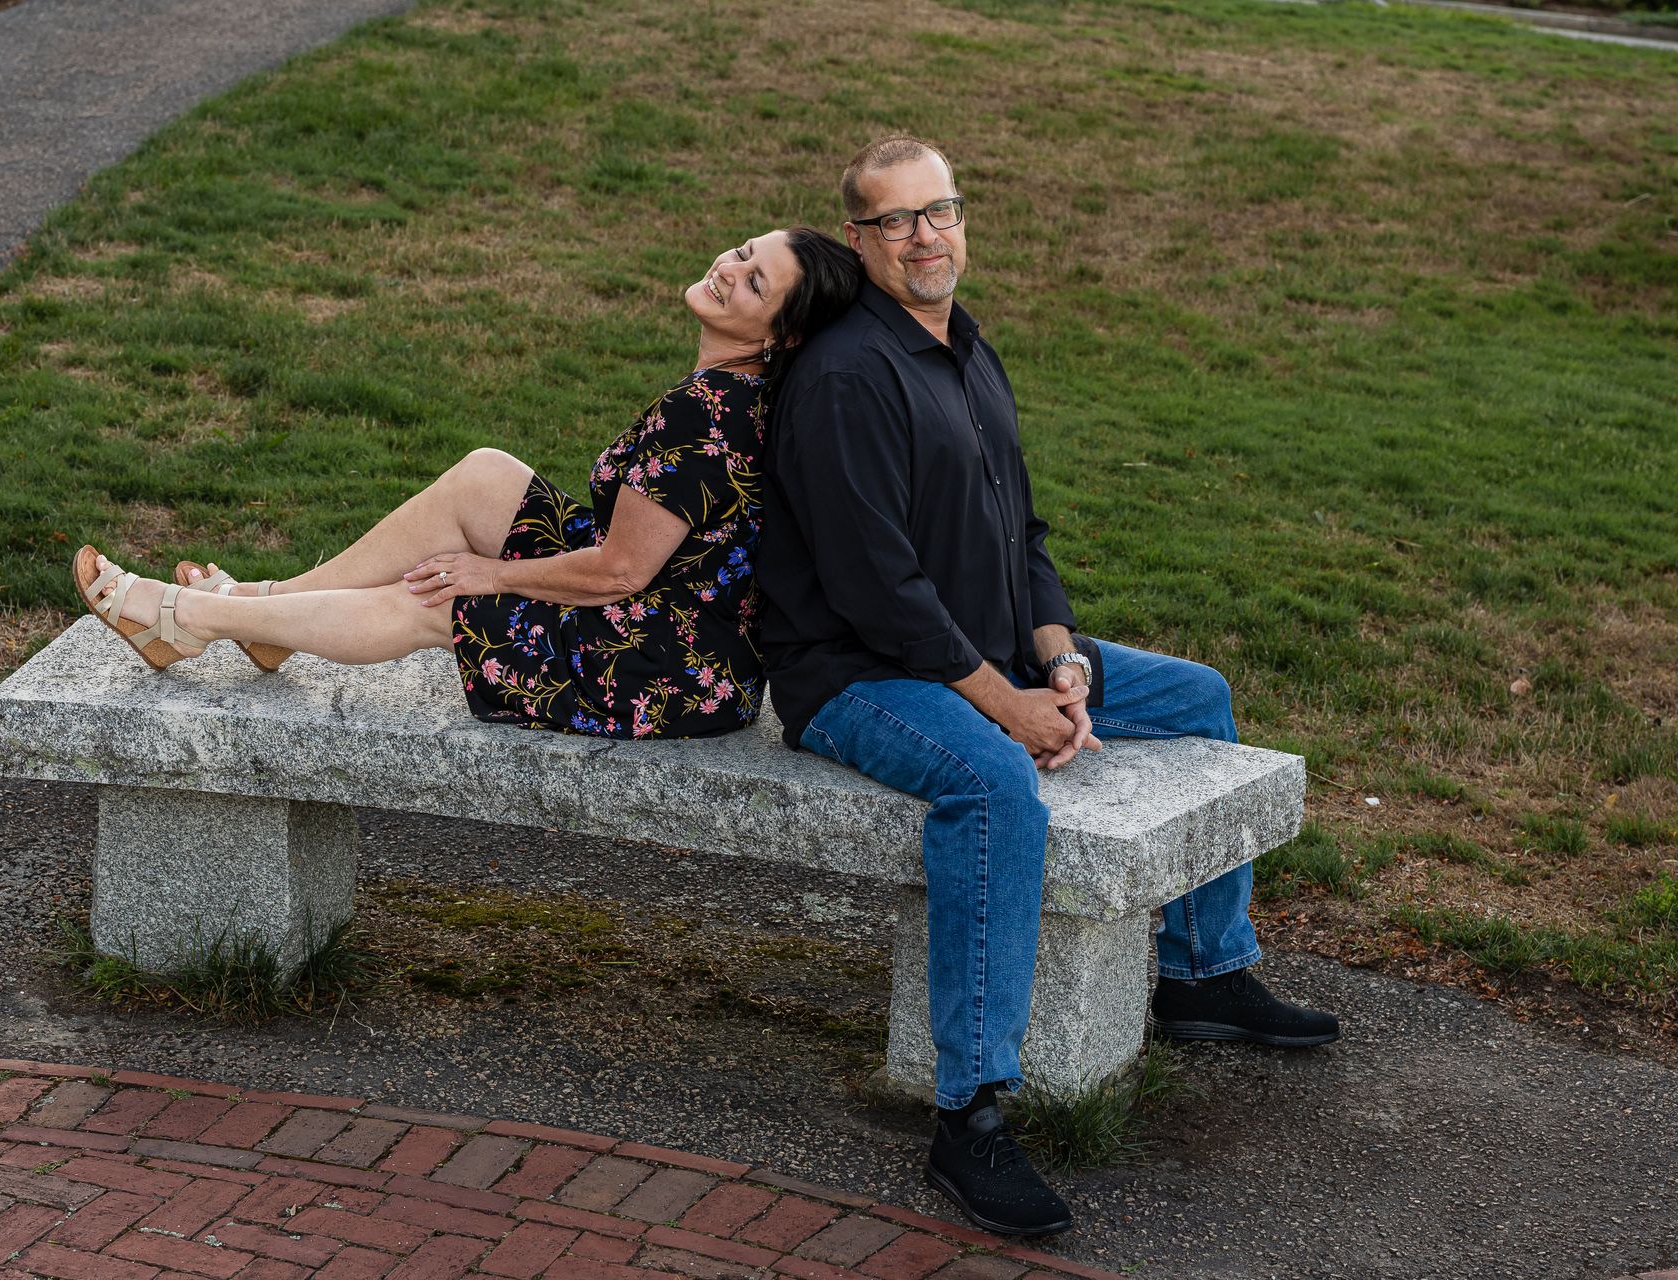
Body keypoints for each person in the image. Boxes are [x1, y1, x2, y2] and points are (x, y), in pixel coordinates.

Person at [757, 137, 1339, 1237]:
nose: (926, 235)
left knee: (1199, 698)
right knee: (995, 792)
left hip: (990, 650)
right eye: (897, 221)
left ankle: (1205, 975)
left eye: (941, 211)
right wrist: (1007, 704)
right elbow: (877, 589)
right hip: (859, 675)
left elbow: (1021, 532)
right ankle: (970, 1111)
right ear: (861, 241)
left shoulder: (968, 349)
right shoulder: (844, 376)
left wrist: (1059, 656)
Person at [71, 226, 863, 739]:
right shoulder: (733, 395)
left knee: (447, 599)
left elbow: (621, 571)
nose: (728, 270)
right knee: (487, 478)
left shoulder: (709, 415)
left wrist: (493, 574)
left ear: (781, 334)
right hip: (668, 618)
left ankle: (185, 618)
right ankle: (267, 613)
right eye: (742, 253)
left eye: (756, 283)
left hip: (664, 666)